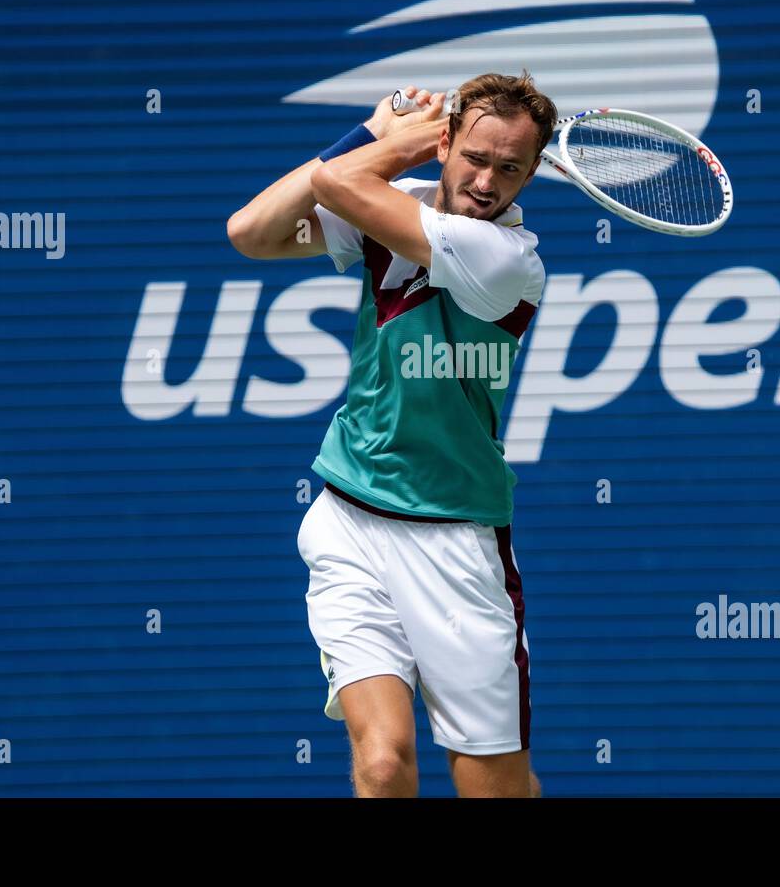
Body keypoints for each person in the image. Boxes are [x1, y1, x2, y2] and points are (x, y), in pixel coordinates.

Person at [227, 71, 557, 797]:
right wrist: (376, 139)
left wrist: (388, 139)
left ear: (533, 174)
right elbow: (251, 232)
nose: (485, 181)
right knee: (382, 766)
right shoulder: (390, 207)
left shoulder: (507, 259)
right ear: (449, 144)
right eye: (473, 156)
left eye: (510, 168)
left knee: (496, 789)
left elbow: (340, 182)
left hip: (457, 542)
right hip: (349, 520)